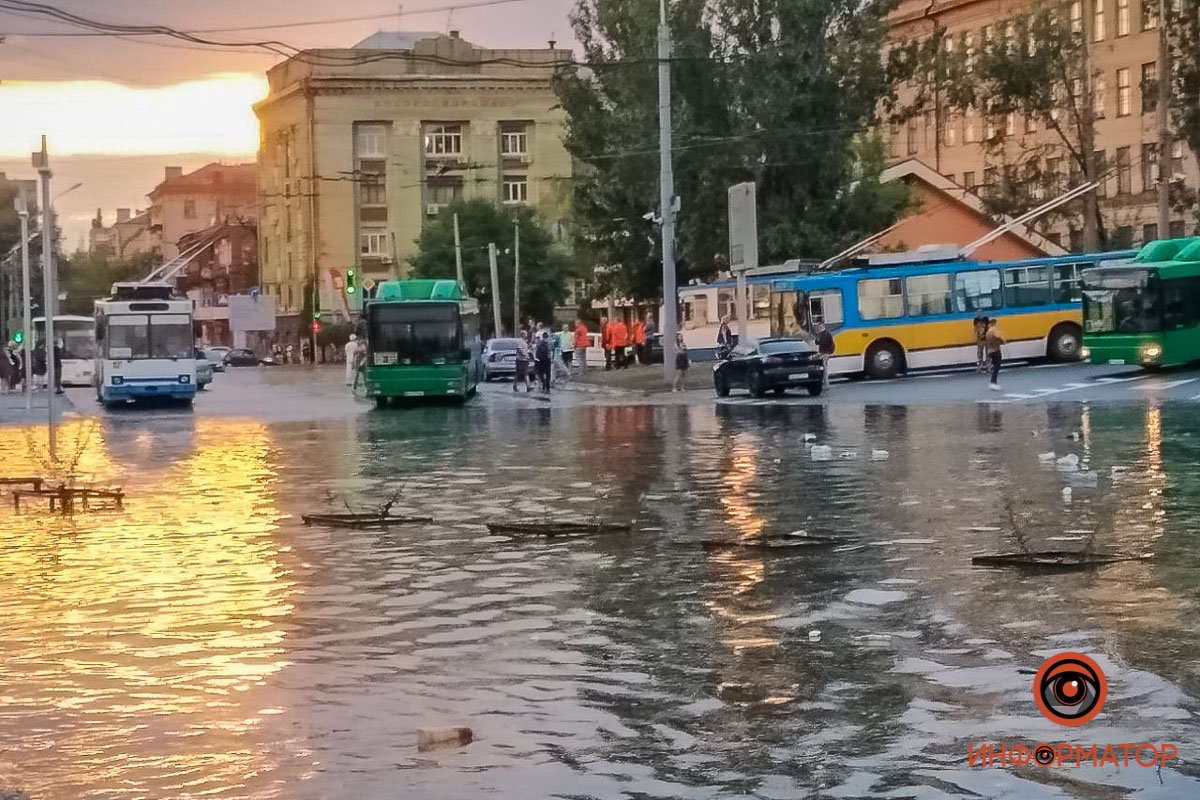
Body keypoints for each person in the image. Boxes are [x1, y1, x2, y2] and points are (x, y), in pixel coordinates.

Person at [985, 318, 1006, 391]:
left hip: (990, 350)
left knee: (995, 366)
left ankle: (993, 382)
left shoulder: (988, 332)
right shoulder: (994, 330)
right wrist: (1003, 341)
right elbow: (1000, 338)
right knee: (997, 366)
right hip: (996, 350)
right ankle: (993, 382)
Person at [814, 322, 835, 389]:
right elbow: (817, 343)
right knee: (823, 368)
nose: (818, 328)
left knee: (824, 369)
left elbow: (823, 343)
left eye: (819, 327)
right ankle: (824, 384)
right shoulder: (821, 334)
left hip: (825, 353)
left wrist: (818, 338)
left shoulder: (826, 334)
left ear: (822, 326)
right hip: (823, 352)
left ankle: (826, 385)